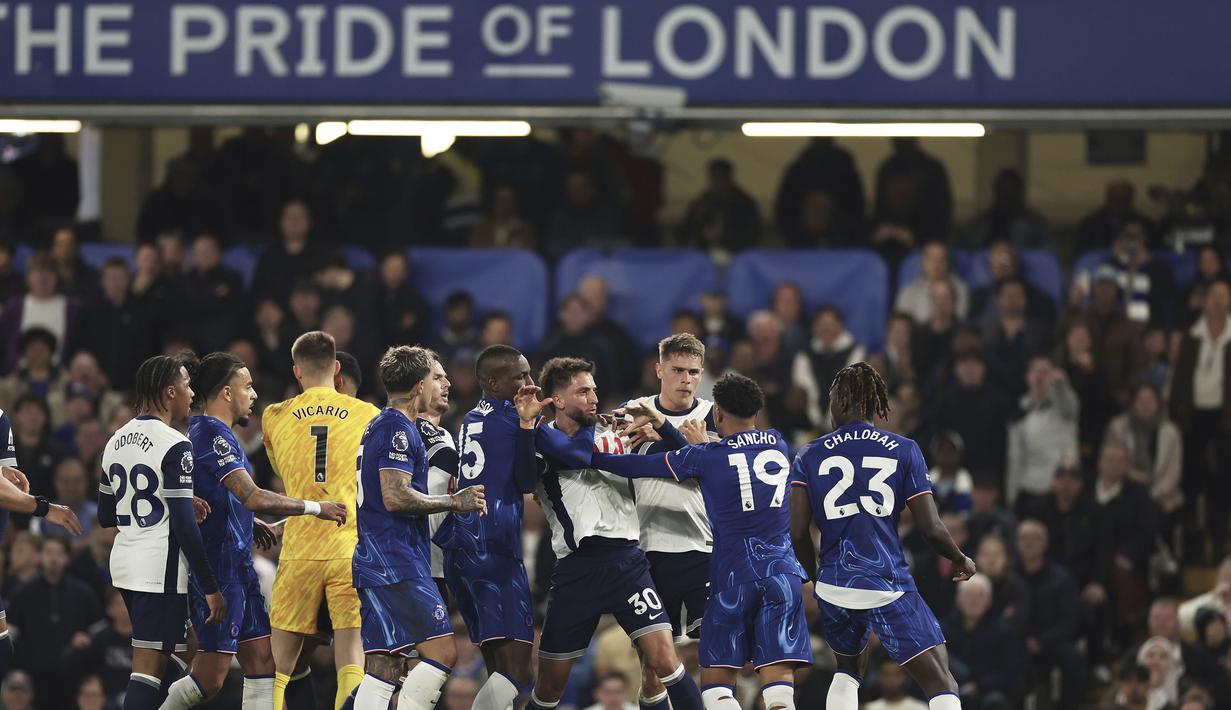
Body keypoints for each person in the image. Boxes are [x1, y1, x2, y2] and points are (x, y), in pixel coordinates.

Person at [592, 372, 812, 710]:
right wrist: (692, 440)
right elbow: (735, 463)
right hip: (782, 574)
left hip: (731, 577)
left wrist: (581, 454)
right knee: (780, 687)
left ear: (718, 414)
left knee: (717, 687)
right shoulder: (778, 443)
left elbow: (633, 466)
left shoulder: (706, 457)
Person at [163, 352, 347, 708]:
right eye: (247, 386)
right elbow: (253, 496)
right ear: (227, 393)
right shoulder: (211, 435)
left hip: (239, 567)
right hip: (218, 570)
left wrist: (251, 523)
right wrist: (314, 508)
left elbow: (226, 498)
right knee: (210, 678)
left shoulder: (217, 436)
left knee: (263, 663)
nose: (254, 394)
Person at [789, 362, 975, 710]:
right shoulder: (904, 449)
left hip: (834, 584)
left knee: (847, 670)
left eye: (830, 397)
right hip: (885, 582)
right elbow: (931, 529)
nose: (829, 406)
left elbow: (797, 531)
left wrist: (814, 577)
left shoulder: (810, 453)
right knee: (941, 680)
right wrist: (960, 558)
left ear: (845, 400)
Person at [525, 358, 704, 710]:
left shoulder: (617, 434)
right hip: (577, 571)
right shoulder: (542, 445)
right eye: (582, 391)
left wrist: (660, 426)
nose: (594, 397)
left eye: (594, 389)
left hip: (627, 564)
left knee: (666, 661)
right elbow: (572, 457)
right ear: (558, 400)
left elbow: (684, 460)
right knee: (549, 687)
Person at [350, 345, 487, 710]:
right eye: (433, 377)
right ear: (418, 385)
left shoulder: (380, 424)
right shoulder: (398, 428)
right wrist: (453, 501)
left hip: (374, 560)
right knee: (443, 653)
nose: (438, 384)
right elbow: (395, 497)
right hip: (397, 560)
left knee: (384, 666)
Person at [97, 355, 225, 710]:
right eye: (187, 385)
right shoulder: (175, 444)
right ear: (171, 392)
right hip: (158, 570)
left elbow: (107, 515)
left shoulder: (114, 440)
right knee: (148, 669)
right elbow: (184, 525)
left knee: (185, 651)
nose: (191, 392)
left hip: (125, 565)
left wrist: (173, 499)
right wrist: (211, 587)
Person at [261, 331, 381, 709]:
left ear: (297, 372)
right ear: (338, 368)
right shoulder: (369, 415)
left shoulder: (274, 416)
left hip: (299, 548)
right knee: (351, 656)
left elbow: (281, 469)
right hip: (349, 545)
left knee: (277, 668)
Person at [434, 345, 550, 710]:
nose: (530, 384)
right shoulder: (513, 417)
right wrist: (530, 426)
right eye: (521, 377)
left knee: (498, 667)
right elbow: (528, 480)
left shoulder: (471, 416)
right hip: (493, 546)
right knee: (518, 671)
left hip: (461, 547)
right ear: (493, 381)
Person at [1170, 280, 1231, 560]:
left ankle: (1219, 539)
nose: (1218, 301)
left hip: (1225, 419)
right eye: (1213, 296)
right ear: (1204, 302)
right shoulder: (1191, 336)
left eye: (1223, 296)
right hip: (1193, 417)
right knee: (1192, 478)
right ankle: (1192, 541)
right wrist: (1177, 414)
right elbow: (1180, 380)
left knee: (1223, 480)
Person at [1015, 519, 1085, 707]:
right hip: (1017, 642)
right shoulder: (1010, 577)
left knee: (1072, 659)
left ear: (1045, 544)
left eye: (1034, 539)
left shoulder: (1062, 578)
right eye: (1023, 538)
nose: (1028, 543)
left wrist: (1042, 641)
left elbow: (1069, 621)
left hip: (1052, 642)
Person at [1005, 357, 1079, 513]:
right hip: (1030, 488)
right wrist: (1011, 496)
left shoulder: (1064, 406)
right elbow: (1015, 459)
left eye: (1045, 372)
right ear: (1028, 377)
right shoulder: (1020, 413)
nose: (1040, 376)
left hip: (1062, 489)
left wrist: (1060, 385)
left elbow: (1069, 406)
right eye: (1036, 371)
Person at [940, 574, 1025, 710]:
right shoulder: (944, 630)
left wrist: (978, 685)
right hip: (953, 689)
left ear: (988, 602)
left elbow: (1012, 673)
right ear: (959, 600)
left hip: (989, 693)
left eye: (979, 596)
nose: (973, 601)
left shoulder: (1004, 631)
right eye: (968, 595)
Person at [1103, 383, 1184, 519]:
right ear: (1133, 403)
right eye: (1141, 401)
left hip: (1162, 496)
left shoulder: (1171, 433)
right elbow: (1109, 460)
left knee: (1150, 513)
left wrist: (1153, 493)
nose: (1145, 405)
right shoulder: (1118, 427)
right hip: (1124, 490)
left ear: (1158, 403)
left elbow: (1174, 472)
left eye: (1150, 401)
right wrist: (1129, 473)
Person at [791, 307, 867, 429]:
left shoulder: (857, 353)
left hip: (846, 425)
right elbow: (804, 387)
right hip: (809, 424)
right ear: (814, 327)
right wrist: (818, 423)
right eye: (822, 324)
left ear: (840, 326)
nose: (826, 329)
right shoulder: (804, 356)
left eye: (831, 324)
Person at [678, 158, 762, 252]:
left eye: (719, 177)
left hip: (735, 253)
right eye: (713, 177)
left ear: (729, 177)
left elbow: (752, 233)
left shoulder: (744, 204)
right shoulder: (702, 202)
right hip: (704, 253)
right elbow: (686, 230)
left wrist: (726, 237)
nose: (716, 182)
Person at [895, 243, 969, 324]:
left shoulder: (960, 288)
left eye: (941, 259)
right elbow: (901, 324)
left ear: (948, 262)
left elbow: (960, 321)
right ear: (922, 261)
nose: (936, 264)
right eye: (931, 259)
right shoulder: (908, 291)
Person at [1076, 180, 1154, 254]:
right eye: (1115, 198)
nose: (1119, 204)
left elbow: (1151, 250)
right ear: (1108, 198)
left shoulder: (1143, 223)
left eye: (1123, 200)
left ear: (1130, 200)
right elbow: (1081, 251)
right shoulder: (1090, 223)